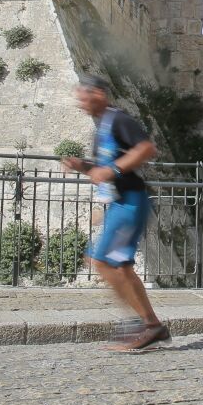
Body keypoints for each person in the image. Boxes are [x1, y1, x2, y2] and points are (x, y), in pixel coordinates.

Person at [61, 75, 169, 350]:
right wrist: (82, 165)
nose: (80, 103)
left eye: (82, 97)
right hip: (119, 202)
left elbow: (146, 148)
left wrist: (111, 170)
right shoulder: (103, 127)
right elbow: (103, 167)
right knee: (116, 265)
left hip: (130, 201)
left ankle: (144, 323)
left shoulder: (119, 119)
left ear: (98, 93)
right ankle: (148, 325)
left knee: (104, 262)